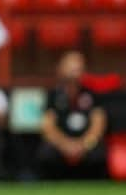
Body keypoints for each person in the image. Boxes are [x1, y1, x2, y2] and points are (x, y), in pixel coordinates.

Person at [37, 51, 107, 180]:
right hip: (61, 145)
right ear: (60, 69)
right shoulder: (53, 96)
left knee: (97, 153)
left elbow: (98, 125)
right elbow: (47, 127)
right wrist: (65, 145)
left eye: (78, 67)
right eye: (71, 67)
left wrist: (84, 144)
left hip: (85, 144)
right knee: (46, 153)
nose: (75, 71)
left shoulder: (92, 95)